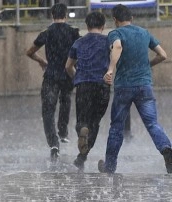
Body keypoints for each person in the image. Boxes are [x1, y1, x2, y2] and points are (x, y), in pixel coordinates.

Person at [98, 4, 172, 174]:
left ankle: (109, 167)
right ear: (132, 19)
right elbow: (163, 55)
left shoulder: (115, 33)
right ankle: (166, 149)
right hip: (145, 86)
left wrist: (110, 69)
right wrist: (147, 65)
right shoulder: (144, 33)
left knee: (116, 126)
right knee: (152, 123)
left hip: (124, 86)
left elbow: (117, 47)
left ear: (115, 20)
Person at [26, 3, 80, 161]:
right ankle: (63, 132)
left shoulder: (47, 32)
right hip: (68, 74)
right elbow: (80, 51)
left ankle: (53, 143)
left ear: (52, 16)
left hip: (51, 75)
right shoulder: (73, 32)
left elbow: (29, 52)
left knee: (48, 110)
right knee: (66, 100)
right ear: (65, 14)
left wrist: (42, 61)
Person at [65, 11, 110, 171]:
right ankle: (81, 157)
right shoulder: (108, 42)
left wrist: (78, 77)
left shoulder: (79, 42)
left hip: (83, 85)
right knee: (94, 122)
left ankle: (82, 131)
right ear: (103, 26)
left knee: (82, 120)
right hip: (102, 85)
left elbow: (68, 66)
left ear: (87, 25)